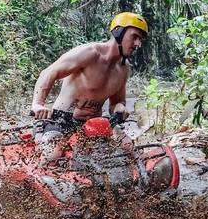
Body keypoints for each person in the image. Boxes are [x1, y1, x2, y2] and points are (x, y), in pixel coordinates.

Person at [30, 12, 149, 164]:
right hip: (62, 121)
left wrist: (120, 109)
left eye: (140, 39)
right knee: (52, 155)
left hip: (94, 124)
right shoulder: (90, 53)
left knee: (127, 147)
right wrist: (37, 104)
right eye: (134, 36)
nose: (137, 44)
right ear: (118, 32)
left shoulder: (124, 69)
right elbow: (49, 72)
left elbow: (116, 102)